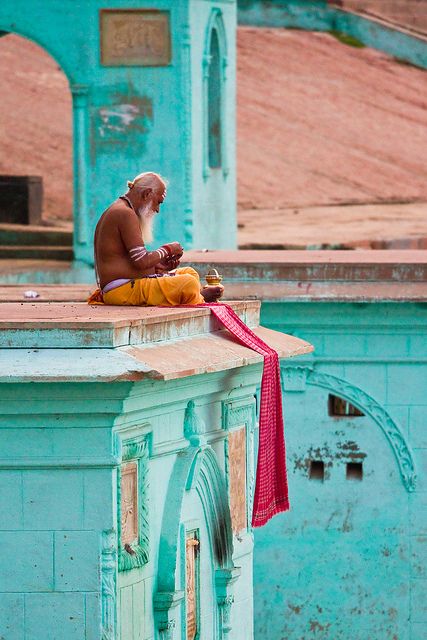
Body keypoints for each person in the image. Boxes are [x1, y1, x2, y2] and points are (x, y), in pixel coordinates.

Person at [87, 172, 223, 305]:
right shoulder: (125, 213)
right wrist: (168, 250)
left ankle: (196, 295)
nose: (157, 209)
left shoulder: (122, 209)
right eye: (158, 202)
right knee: (189, 283)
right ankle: (200, 297)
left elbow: (129, 261)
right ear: (147, 194)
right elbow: (141, 261)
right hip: (121, 290)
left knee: (189, 272)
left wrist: (156, 267)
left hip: (128, 284)